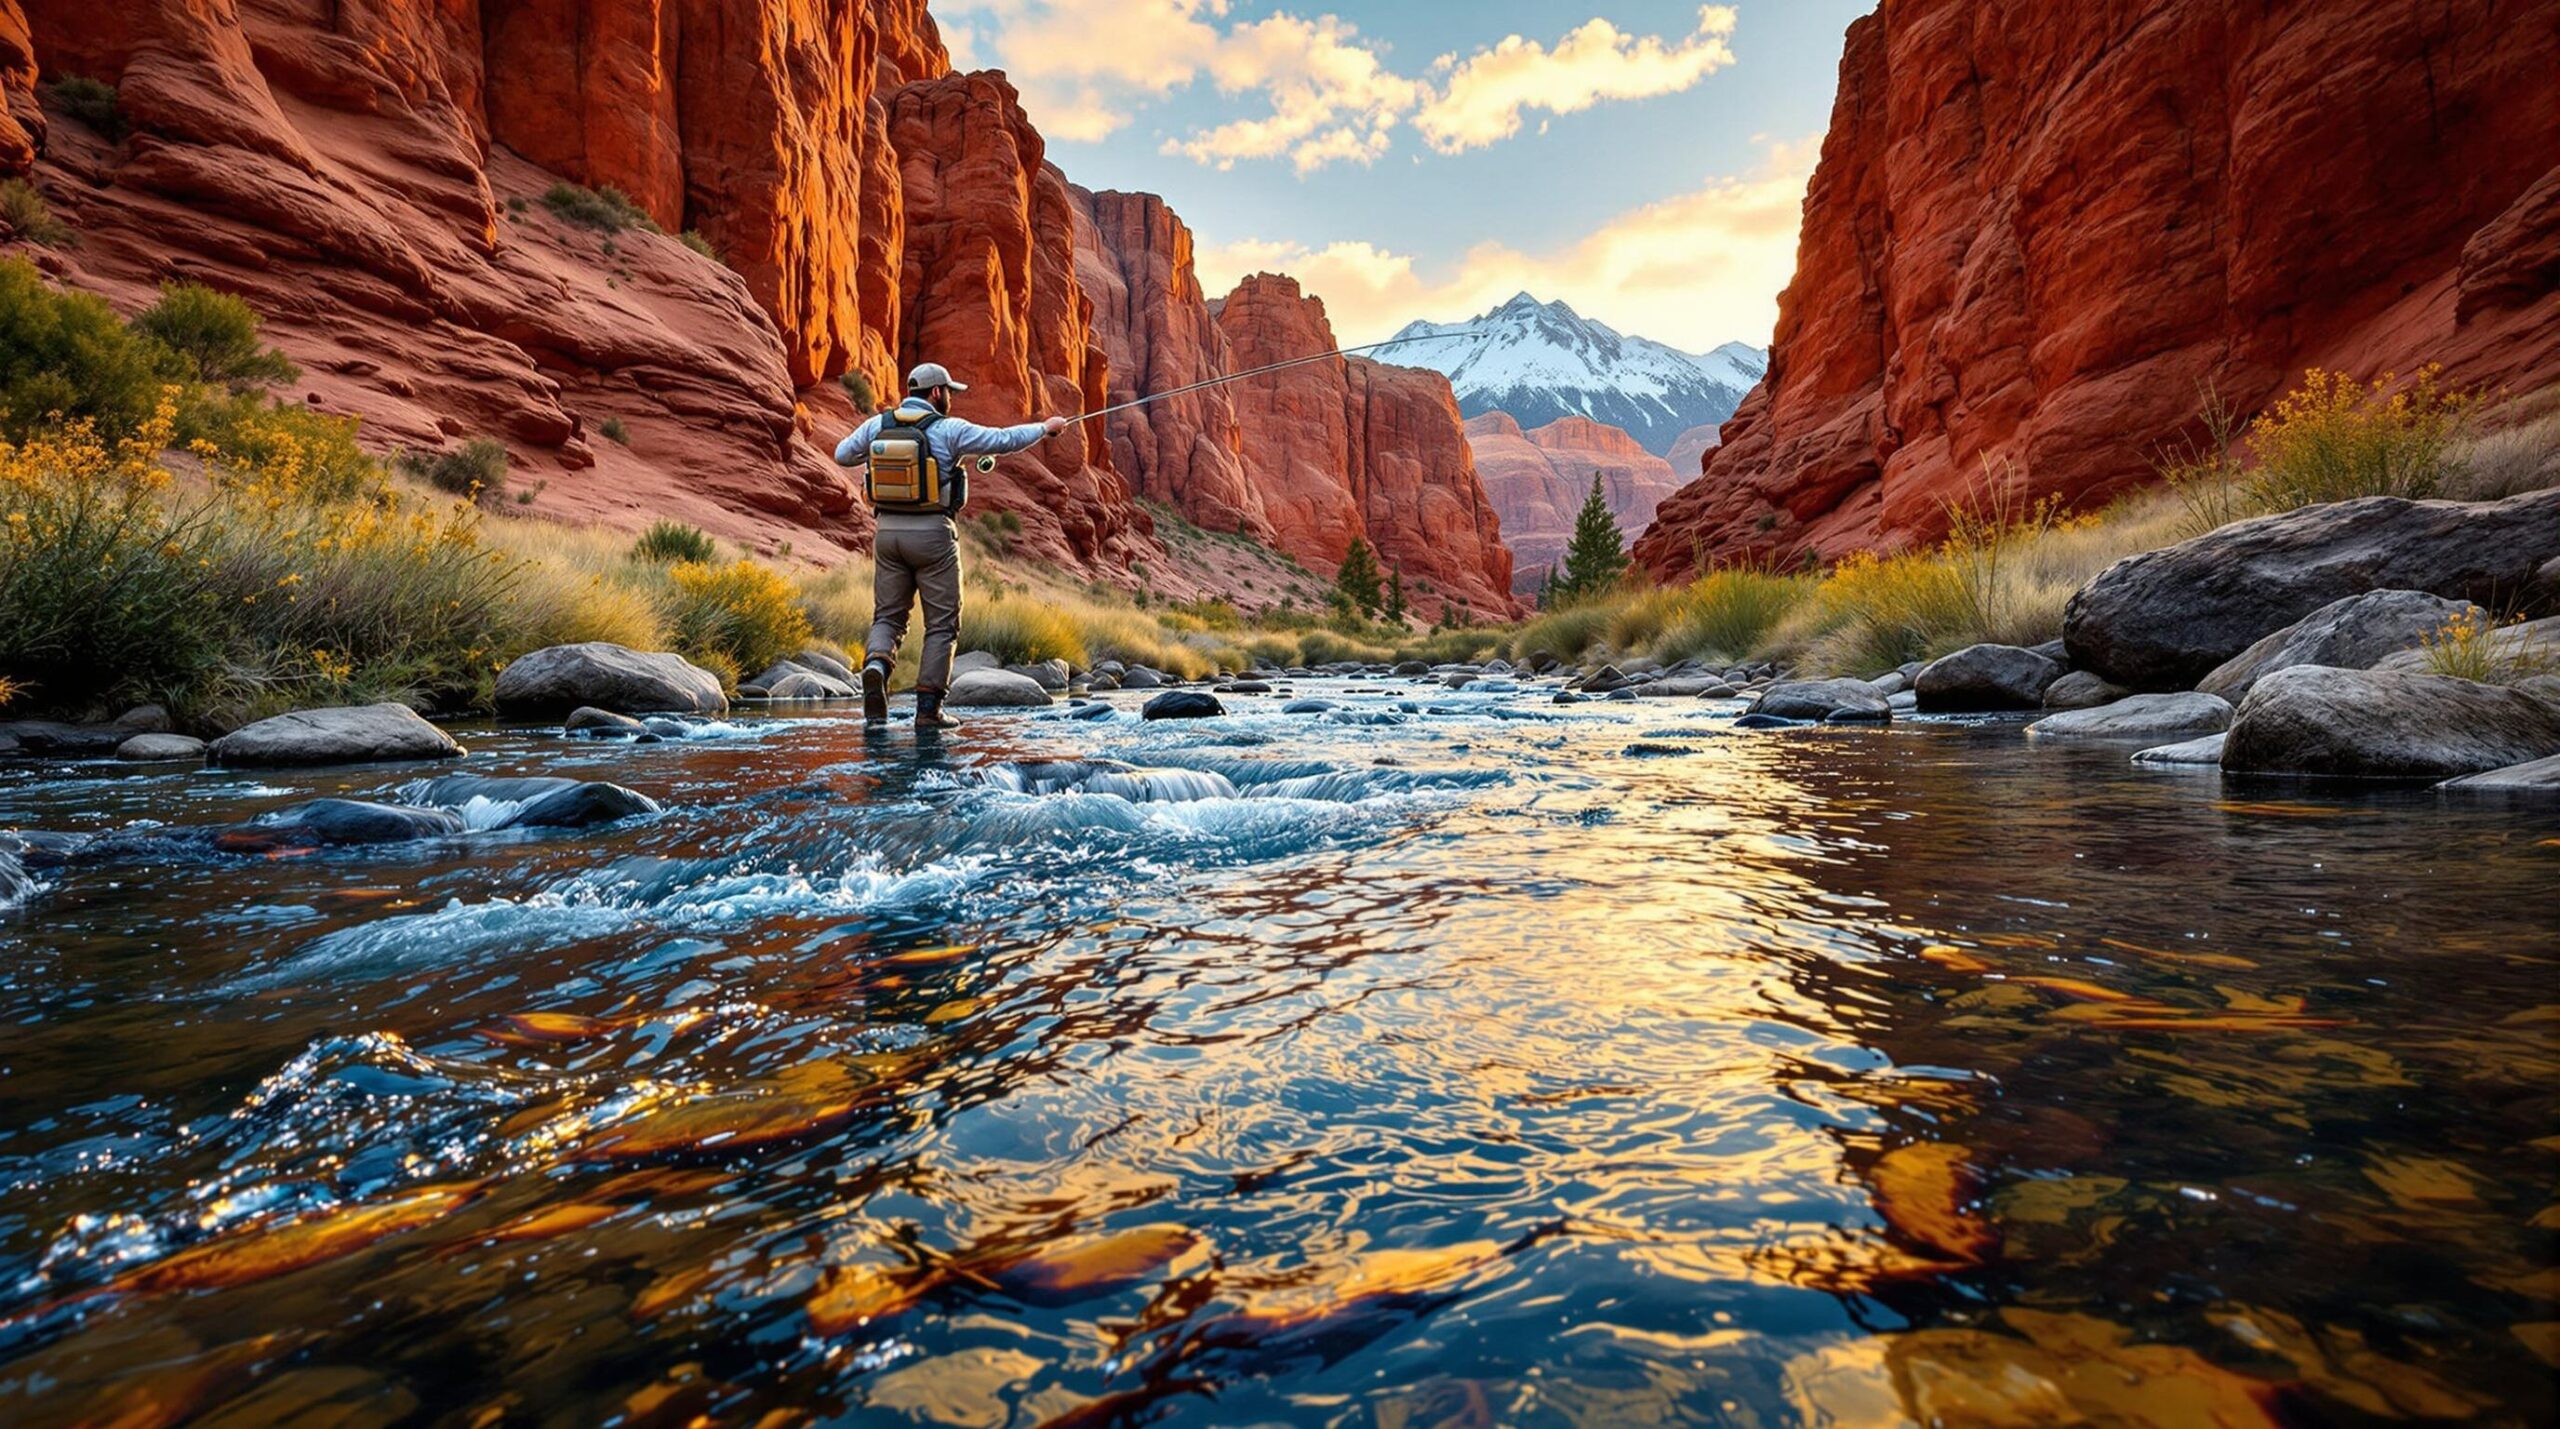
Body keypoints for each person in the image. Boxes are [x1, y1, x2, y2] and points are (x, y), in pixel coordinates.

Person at [835, 363, 1070, 728]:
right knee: (942, 625)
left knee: (887, 617)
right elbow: (1003, 440)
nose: (950, 399)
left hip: (887, 534)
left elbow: (841, 455)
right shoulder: (950, 429)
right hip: (933, 534)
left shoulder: (877, 424)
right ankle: (928, 711)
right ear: (934, 393)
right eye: (948, 392)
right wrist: (1045, 429)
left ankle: (877, 666)